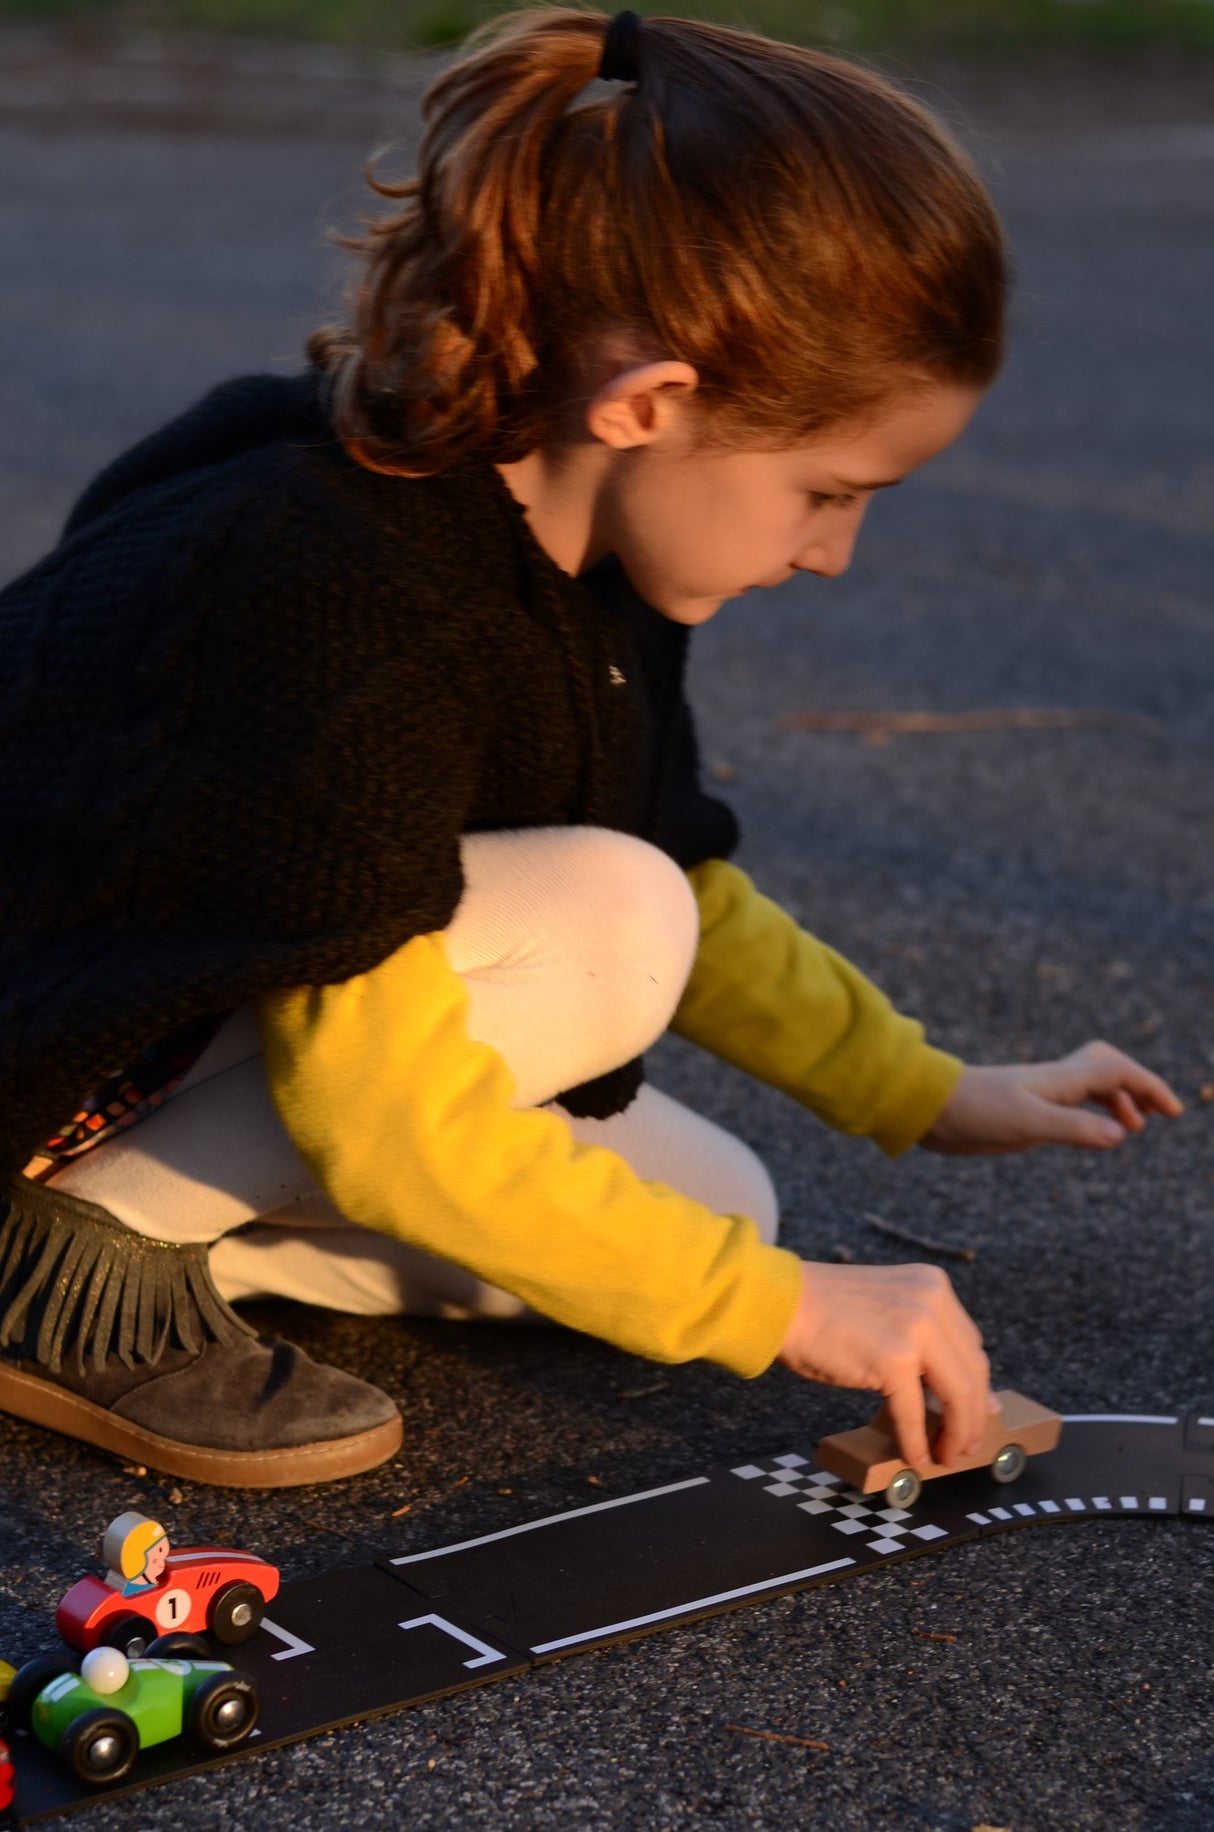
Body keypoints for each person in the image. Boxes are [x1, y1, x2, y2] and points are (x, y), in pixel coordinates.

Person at [0, 8, 1181, 1490]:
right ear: (648, 402)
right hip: (42, 1055)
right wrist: (796, 1313)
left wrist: (928, 1092)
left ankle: (160, 1234)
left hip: (187, 1033)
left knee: (721, 1204)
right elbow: (412, 1079)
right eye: (827, 491)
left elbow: (684, 870)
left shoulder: (585, 555)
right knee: (615, 936)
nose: (834, 555)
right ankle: (63, 1270)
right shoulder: (337, 590)